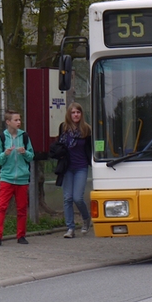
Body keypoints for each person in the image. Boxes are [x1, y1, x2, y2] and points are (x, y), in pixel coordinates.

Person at [0, 110, 34, 245]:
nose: (19, 122)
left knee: (22, 208)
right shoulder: (1, 138)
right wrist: (5, 154)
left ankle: (21, 235)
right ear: (8, 122)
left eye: (19, 120)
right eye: (16, 120)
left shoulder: (25, 137)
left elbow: (31, 156)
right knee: (1, 206)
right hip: (6, 178)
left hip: (22, 178)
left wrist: (25, 152)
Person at [57, 102, 92, 238]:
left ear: (81, 114)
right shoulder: (64, 128)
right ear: (69, 114)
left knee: (77, 198)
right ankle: (70, 228)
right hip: (67, 167)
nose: (76, 115)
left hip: (81, 167)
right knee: (68, 198)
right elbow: (59, 144)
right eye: (73, 112)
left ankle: (86, 218)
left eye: (78, 112)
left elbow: (90, 148)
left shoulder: (86, 129)